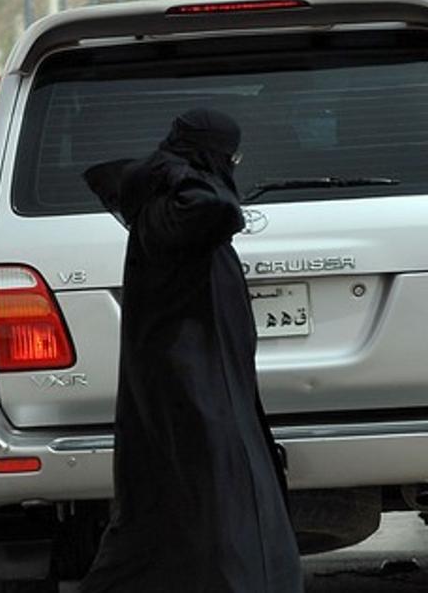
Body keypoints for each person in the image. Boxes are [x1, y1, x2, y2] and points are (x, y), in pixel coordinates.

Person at [81, 108, 303, 593]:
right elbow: (222, 209)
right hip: (190, 383)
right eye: (230, 157)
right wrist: (178, 171)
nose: (235, 168)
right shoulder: (174, 207)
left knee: (189, 507)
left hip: (200, 379)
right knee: (214, 502)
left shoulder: (166, 202)